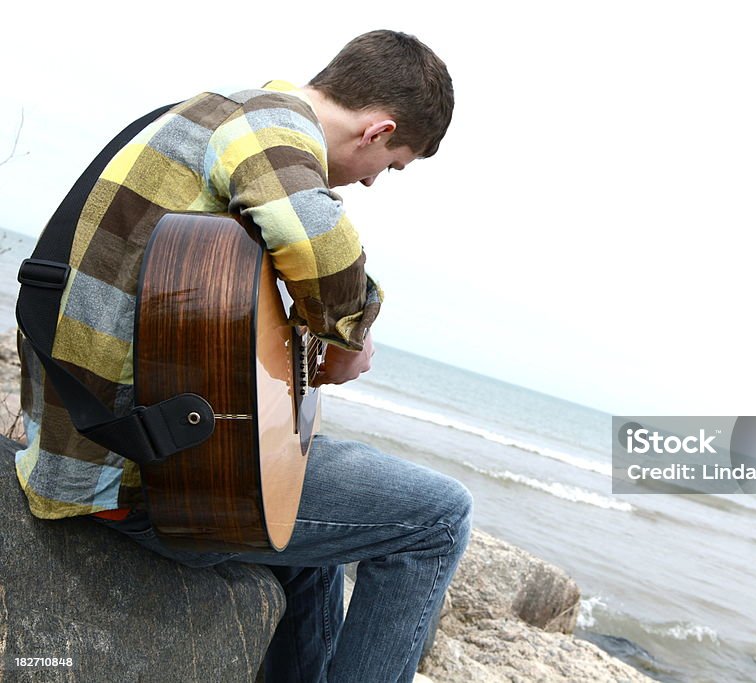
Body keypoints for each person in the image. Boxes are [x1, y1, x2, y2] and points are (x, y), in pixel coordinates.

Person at [15, 29, 472, 682]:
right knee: (439, 517)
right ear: (377, 129)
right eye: (391, 164)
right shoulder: (269, 126)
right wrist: (352, 333)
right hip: (133, 477)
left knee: (312, 539)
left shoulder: (214, 113)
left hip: (99, 445)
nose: (373, 181)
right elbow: (323, 252)